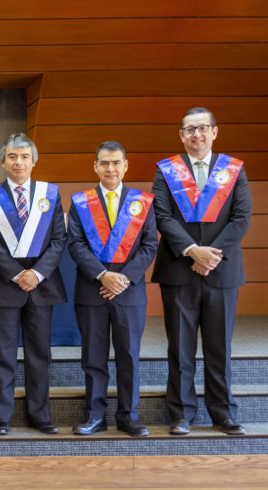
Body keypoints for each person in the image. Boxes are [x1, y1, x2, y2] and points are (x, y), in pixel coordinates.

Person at [152, 107, 252, 436]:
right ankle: (181, 413)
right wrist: (192, 250)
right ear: (181, 135)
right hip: (178, 270)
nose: (197, 134)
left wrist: (210, 256)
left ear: (214, 132)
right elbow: (162, 216)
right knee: (180, 346)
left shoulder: (233, 170)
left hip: (222, 271)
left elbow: (241, 218)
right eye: (190, 129)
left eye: (202, 128)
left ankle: (223, 412)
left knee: (219, 346)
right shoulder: (166, 170)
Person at [0, 133, 67, 435]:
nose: (19, 162)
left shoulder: (49, 194)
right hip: (4, 285)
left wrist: (36, 274)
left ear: (34, 161)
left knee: (39, 354)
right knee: (2, 355)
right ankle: (1, 418)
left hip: (41, 285)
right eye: (13, 157)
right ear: (3, 161)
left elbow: (58, 239)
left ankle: (40, 415)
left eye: (25, 157)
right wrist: (18, 274)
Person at [67, 141, 158, 437]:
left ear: (125, 165)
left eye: (116, 162)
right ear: (95, 166)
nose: (110, 168)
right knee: (93, 357)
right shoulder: (81, 202)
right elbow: (75, 245)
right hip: (91, 290)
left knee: (128, 356)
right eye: (104, 163)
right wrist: (103, 275)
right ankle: (95, 416)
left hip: (129, 293)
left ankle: (129, 417)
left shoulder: (142, 202)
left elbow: (149, 245)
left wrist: (123, 278)